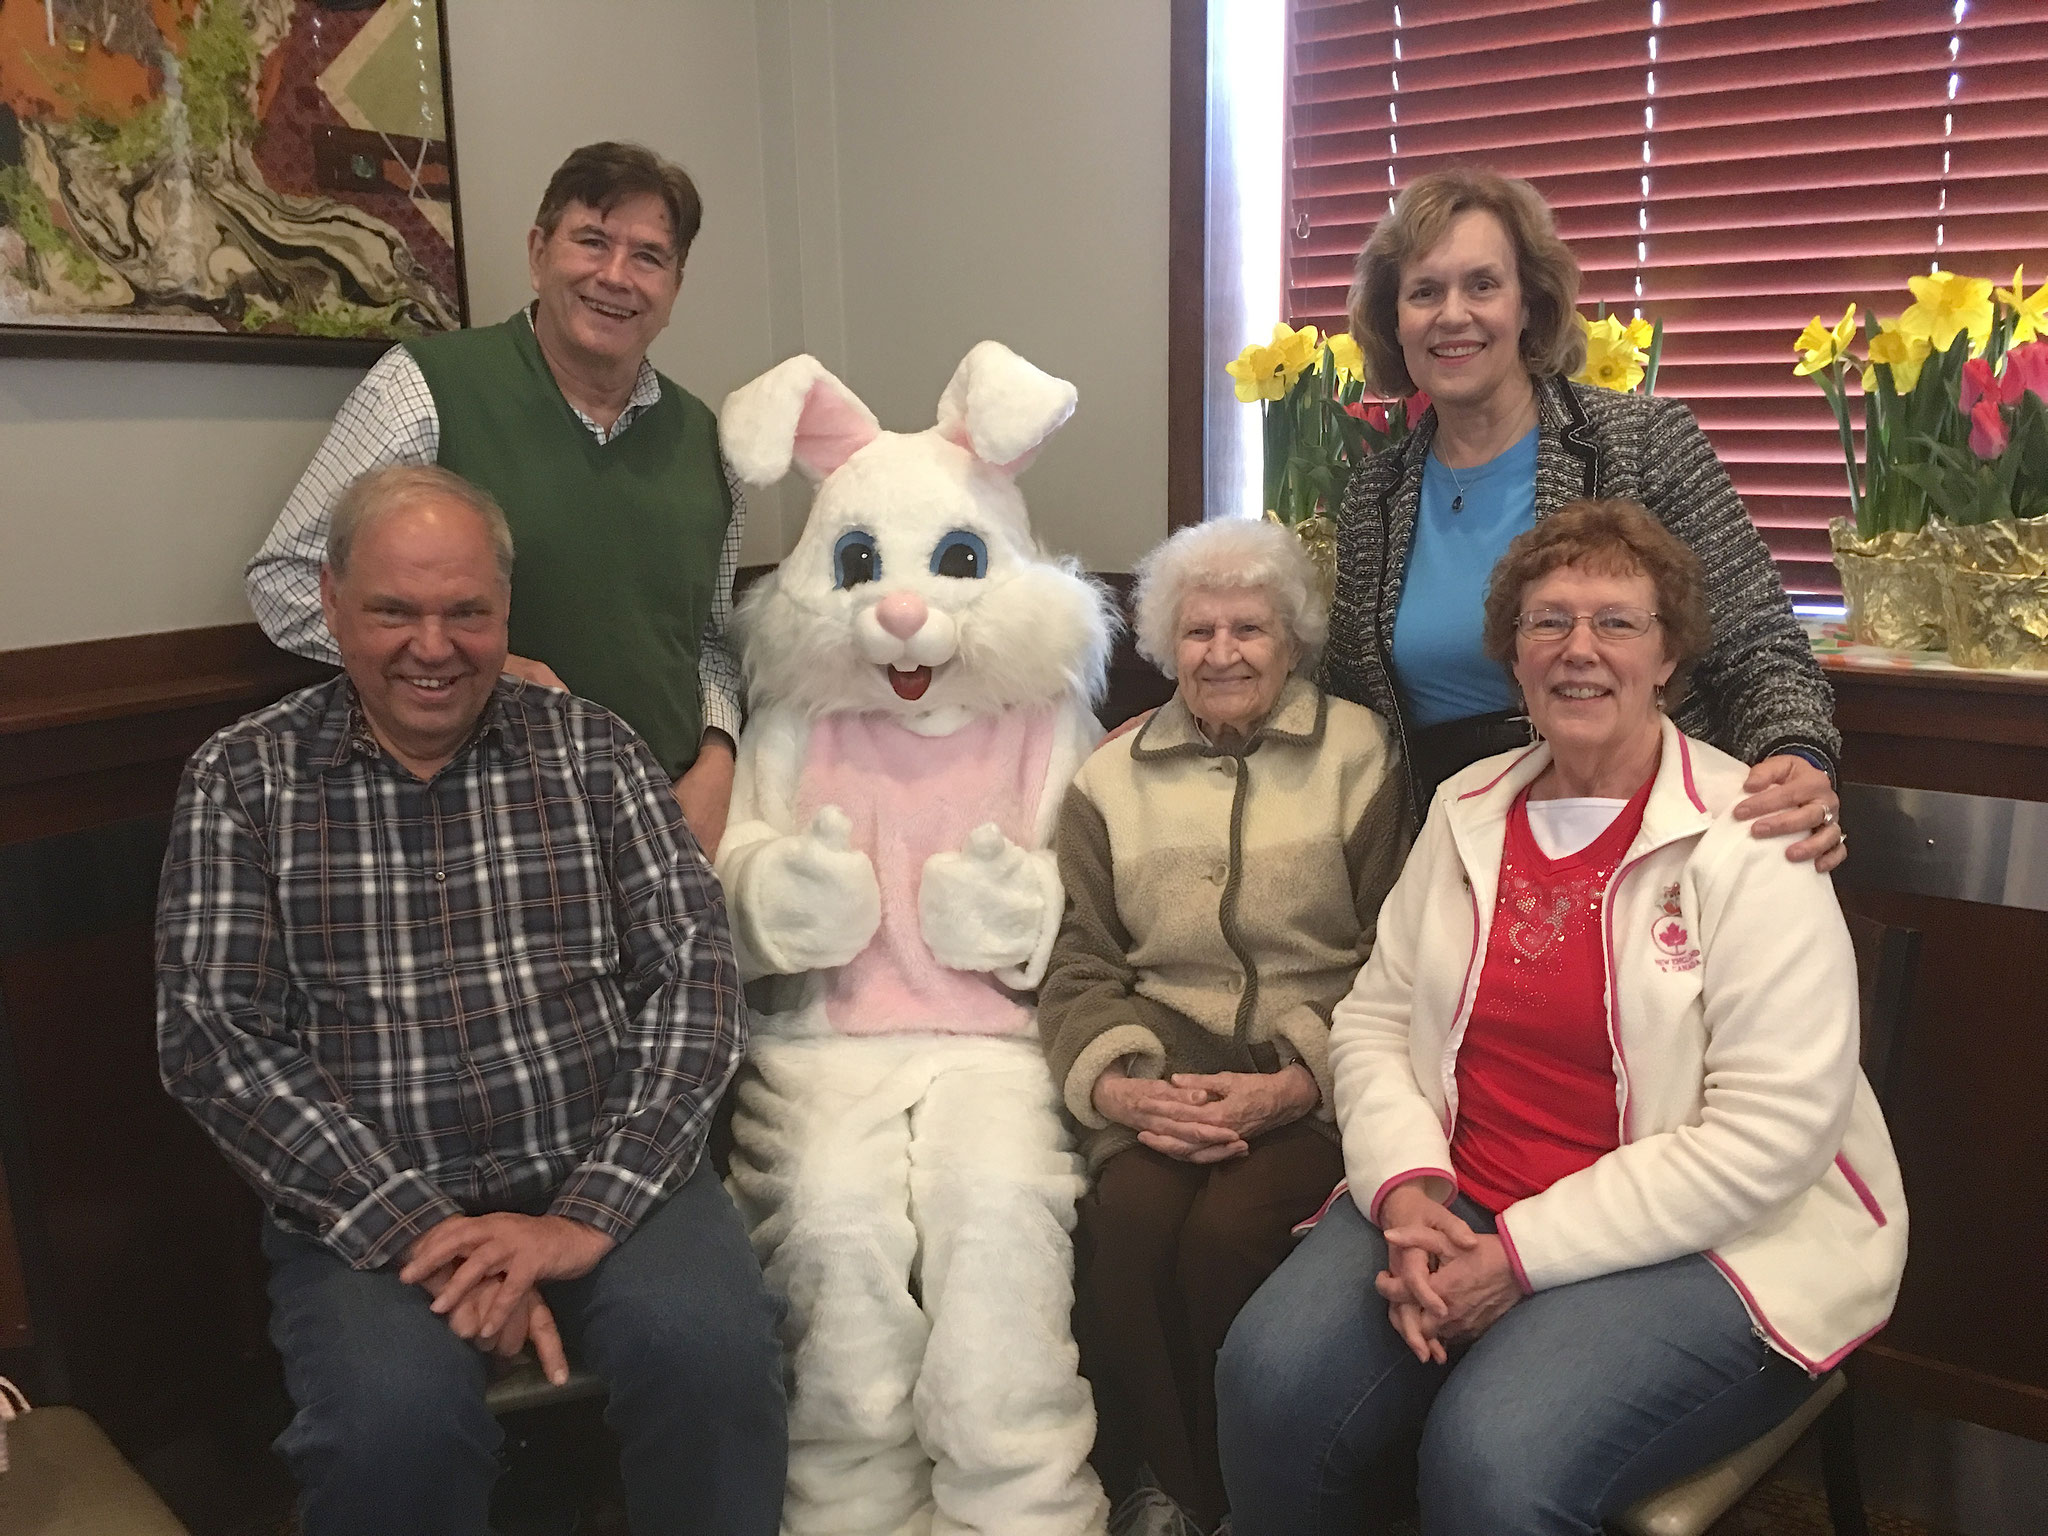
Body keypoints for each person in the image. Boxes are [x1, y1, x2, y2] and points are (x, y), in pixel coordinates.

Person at [1215, 501, 1907, 1536]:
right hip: (1459, 1196)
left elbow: (1770, 1134)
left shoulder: (1752, 837)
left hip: (1705, 1239)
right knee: (1267, 1379)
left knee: (1494, 1455)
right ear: (1512, 655)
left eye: (1616, 623)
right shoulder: (1466, 808)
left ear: (1668, 654)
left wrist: (1519, 1257)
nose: (1578, 650)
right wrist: (1405, 1195)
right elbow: (1373, 1023)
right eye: (1547, 623)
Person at [158, 466, 787, 1536]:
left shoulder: (595, 752)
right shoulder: (242, 782)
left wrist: (582, 1217)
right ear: (331, 605)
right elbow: (217, 1041)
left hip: (613, 1166)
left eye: (466, 613)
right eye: (394, 610)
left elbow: (694, 975)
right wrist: (435, 1236)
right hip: (366, 1203)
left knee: (715, 1360)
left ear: (504, 613)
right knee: (387, 1426)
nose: (432, 646)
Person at [1041, 519, 1407, 1536]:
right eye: (1197, 631)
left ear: (1289, 639)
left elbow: (1400, 950)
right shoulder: (1109, 781)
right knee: (1128, 1223)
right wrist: (1118, 1085)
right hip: (1165, 1071)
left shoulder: (1356, 754)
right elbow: (1078, 963)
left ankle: (1259, 1492)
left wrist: (1301, 1078)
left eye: (1249, 627)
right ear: (1165, 645)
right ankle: (1175, 1486)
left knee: (1226, 1236)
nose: (1222, 652)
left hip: (1313, 1073)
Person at [1327, 168, 1848, 871]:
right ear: (1396, 320)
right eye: (1425, 292)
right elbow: (1343, 700)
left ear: (1529, 306)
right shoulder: (1375, 498)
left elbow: (1758, 644)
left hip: (1644, 837)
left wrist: (1796, 753)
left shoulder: (1643, 444)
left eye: (1482, 284)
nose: (1453, 314)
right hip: (1453, 852)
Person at [247, 141, 746, 854]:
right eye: (592, 241)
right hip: (474, 834)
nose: (616, 276)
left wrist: (717, 756)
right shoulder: (422, 389)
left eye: (648, 256)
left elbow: (711, 640)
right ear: (539, 252)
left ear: (675, 284)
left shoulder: (707, 441)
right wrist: (482, 662)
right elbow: (286, 581)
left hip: (663, 825)